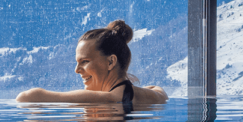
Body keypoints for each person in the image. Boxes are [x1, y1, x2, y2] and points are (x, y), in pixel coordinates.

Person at [15, 20, 168, 105]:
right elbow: (159, 90)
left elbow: (26, 97)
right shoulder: (151, 96)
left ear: (111, 62)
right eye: (77, 62)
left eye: (84, 62)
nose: (77, 70)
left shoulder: (105, 99)